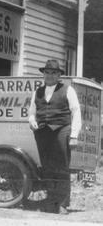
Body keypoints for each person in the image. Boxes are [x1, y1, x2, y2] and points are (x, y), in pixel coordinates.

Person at [28, 59, 82, 215]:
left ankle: (63, 204)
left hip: (61, 130)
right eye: (47, 72)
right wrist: (32, 121)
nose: (50, 75)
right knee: (48, 167)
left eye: (53, 73)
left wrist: (74, 135)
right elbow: (31, 112)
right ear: (43, 74)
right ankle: (51, 202)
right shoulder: (37, 92)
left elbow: (76, 112)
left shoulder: (68, 90)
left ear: (59, 75)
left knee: (62, 168)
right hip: (42, 133)